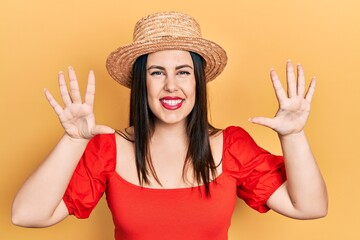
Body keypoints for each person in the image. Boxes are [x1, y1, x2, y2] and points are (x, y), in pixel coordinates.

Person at [11, 11, 327, 240]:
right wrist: (73, 140)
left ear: (198, 82)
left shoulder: (231, 146)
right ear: (141, 83)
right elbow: (26, 215)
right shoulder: (108, 149)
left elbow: (310, 207)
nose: (171, 86)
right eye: (157, 72)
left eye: (184, 72)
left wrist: (295, 135)